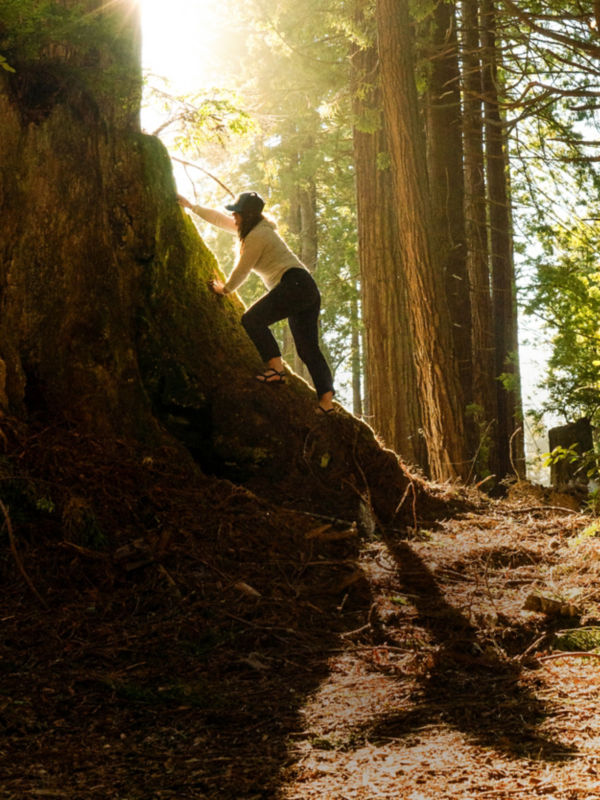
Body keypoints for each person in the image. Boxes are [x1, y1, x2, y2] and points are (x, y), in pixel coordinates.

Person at [177, 190, 335, 414]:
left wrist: (226, 289)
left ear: (248, 215)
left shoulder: (257, 237)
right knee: (308, 348)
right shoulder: (253, 229)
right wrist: (192, 206)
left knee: (252, 320)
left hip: (294, 284)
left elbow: (243, 268)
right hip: (305, 287)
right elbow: (219, 220)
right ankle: (326, 402)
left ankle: (275, 369)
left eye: (237, 213)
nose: (234, 217)